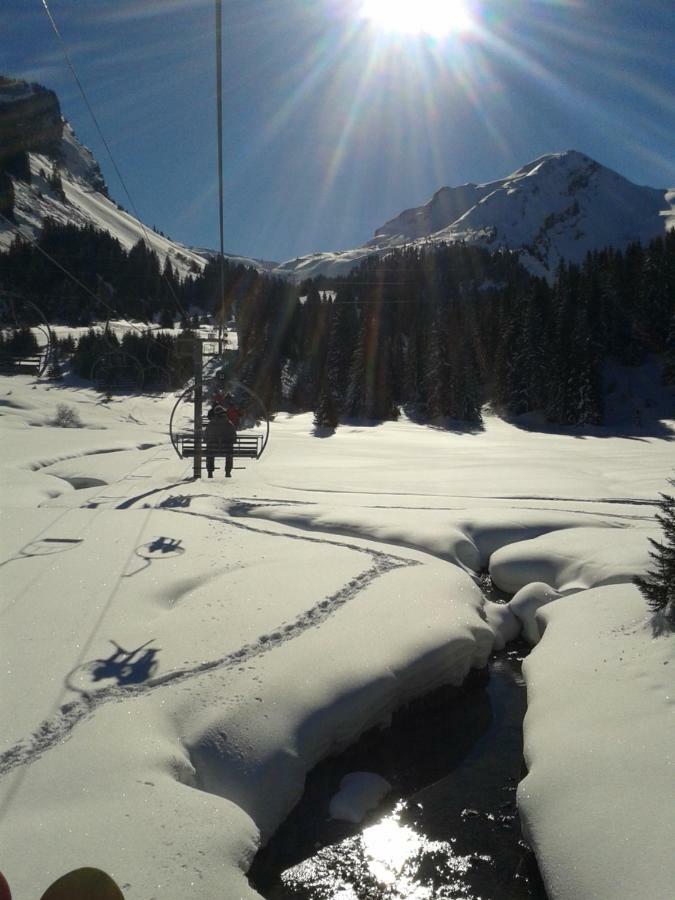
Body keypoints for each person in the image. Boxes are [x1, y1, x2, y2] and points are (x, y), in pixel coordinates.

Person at [205, 404, 236, 478]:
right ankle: (228, 471)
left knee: (209, 451)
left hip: (212, 449)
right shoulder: (229, 423)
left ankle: (210, 472)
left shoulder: (211, 424)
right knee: (229, 451)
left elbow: (205, 437)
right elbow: (234, 438)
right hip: (227, 449)